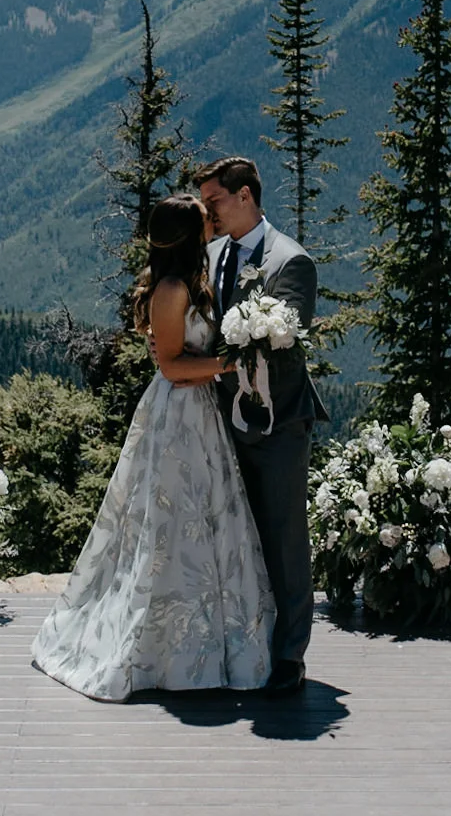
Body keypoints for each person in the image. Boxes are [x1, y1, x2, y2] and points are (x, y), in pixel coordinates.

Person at [31, 193, 275, 700]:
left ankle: (209, 641)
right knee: (171, 528)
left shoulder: (192, 281)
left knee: (206, 522)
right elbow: (170, 366)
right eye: (204, 220)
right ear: (189, 236)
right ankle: (164, 646)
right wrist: (230, 365)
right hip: (177, 417)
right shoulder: (170, 289)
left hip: (200, 414)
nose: (213, 223)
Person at [197, 155, 326, 696]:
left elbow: (282, 347)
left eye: (215, 202)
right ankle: (242, 645)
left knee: (283, 539)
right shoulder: (212, 254)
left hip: (275, 424)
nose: (209, 214)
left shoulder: (290, 262)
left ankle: (290, 655)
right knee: (232, 539)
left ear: (246, 196)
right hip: (215, 422)